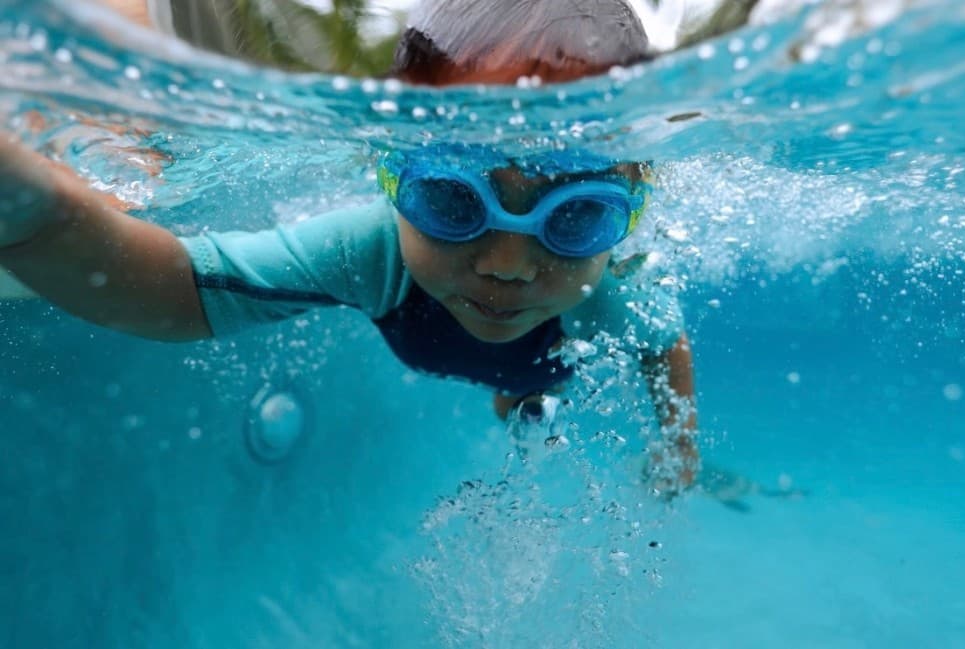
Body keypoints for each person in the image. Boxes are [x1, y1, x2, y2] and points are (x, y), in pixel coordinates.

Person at [0, 0, 699, 491]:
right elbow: (178, 291)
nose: (505, 265)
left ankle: (517, 390)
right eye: (453, 200)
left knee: (528, 382)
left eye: (575, 219)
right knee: (513, 384)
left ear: (629, 213)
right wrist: (39, 214)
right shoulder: (375, 251)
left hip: (545, 357)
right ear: (389, 172)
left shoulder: (612, 297)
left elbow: (665, 347)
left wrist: (678, 445)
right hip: (509, 347)